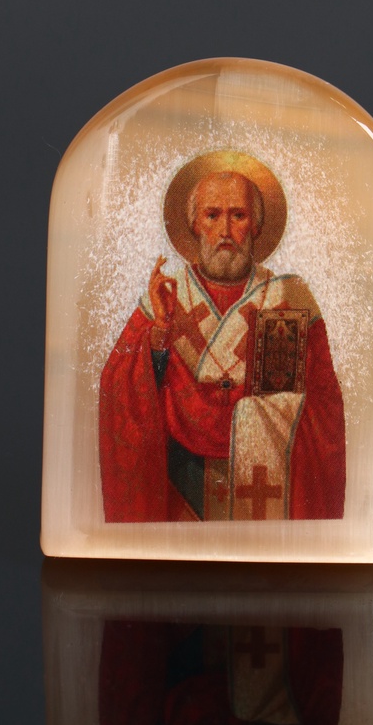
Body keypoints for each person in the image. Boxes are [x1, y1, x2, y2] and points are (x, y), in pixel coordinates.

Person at [99, 169, 345, 521]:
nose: (225, 231)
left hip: (270, 479)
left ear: (257, 226)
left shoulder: (288, 298)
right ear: (194, 225)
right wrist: (159, 334)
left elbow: (324, 406)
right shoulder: (167, 295)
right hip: (182, 487)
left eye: (238, 215)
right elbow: (120, 389)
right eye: (212, 215)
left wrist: (274, 412)